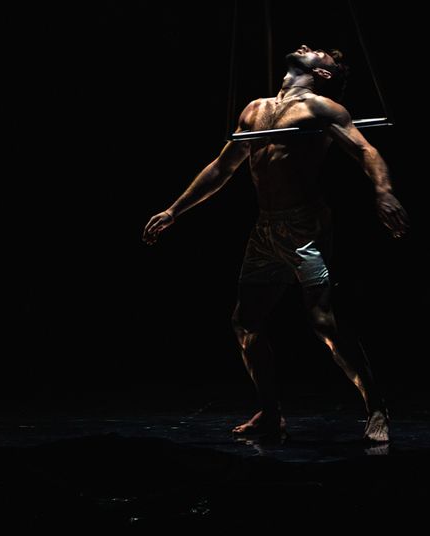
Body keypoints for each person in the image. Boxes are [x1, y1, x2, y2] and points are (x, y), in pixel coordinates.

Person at [141, 44, 410, 442]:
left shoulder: (322, 109)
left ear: (324, 74)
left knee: (322, 321)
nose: (306, 47)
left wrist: (383, 191)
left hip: (305, 226)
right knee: (245, 323)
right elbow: (223, 166)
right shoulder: (254, 109)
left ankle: (376, 408)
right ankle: (270, 414)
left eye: (318, 52)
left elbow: (364, 149)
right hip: (267, 229)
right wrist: (174, 211)